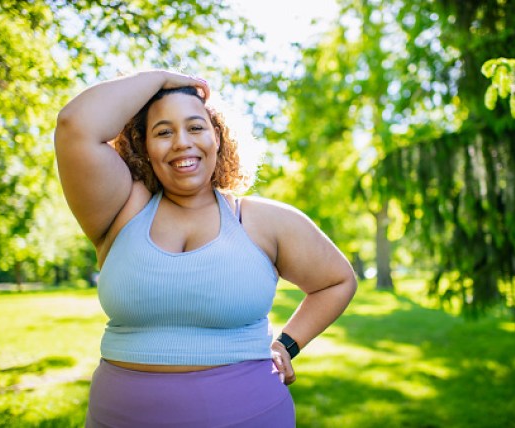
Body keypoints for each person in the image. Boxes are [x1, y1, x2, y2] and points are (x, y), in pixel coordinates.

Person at [55, 69, 357, 427]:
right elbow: (75, 125)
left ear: (217, 138)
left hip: (252, 415)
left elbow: (337, 281)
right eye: (163, 132)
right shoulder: (120, 210)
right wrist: (161, 78)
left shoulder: (263, 221)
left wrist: (286, 344)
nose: (182, 141)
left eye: (195, 127)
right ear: (143, 146)